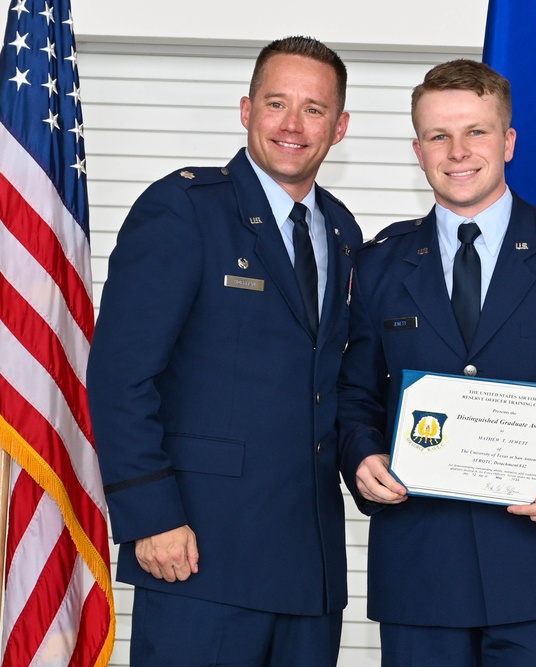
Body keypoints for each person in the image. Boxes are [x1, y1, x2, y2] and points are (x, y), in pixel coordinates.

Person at [336, 59, 536, 666]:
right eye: (438, 136)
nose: (457, 151)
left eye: (476, 131)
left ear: (507, 141)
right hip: (420, 569)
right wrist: (361, 457)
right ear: (418, 149)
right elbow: (354, 396)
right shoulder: (380, 261)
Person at [87, 36, 361, 666]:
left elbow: (335, 382)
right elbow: (120, 373)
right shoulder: (184, 208)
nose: (293, 125)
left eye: (314, 109)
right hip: (198, 553)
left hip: (308, 565)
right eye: (276, 103)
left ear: (339, 127)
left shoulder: (343, 231)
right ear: (245, 110)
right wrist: (149, 515)